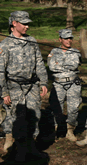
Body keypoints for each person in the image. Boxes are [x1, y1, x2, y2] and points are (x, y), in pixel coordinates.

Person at [0, 11, 48, 161]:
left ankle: (31, 148)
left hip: (32, 86)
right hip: (14, 87)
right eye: (24, 23)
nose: (27, 26)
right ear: (14, 23)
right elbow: (0, 71)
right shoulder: (5, 45)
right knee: (17, 118)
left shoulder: (32, 40)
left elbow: (39, 62)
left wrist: (44, 81)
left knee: (35, 116)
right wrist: (4, 92)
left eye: (28, 23)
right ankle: (20, 151)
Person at [47, 29, 82, 142]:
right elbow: (51, 67)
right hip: (58, 84)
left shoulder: (76, 52)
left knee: (73, 109)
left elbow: (75, 65)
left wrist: (59, 64)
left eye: (70, 38)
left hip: (73, 84)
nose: (69, 40)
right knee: (56, 108)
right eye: (66, 38)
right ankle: (56, 130)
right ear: (60, 39)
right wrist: (67, 65)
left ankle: (70, 130)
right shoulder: (53, 51)